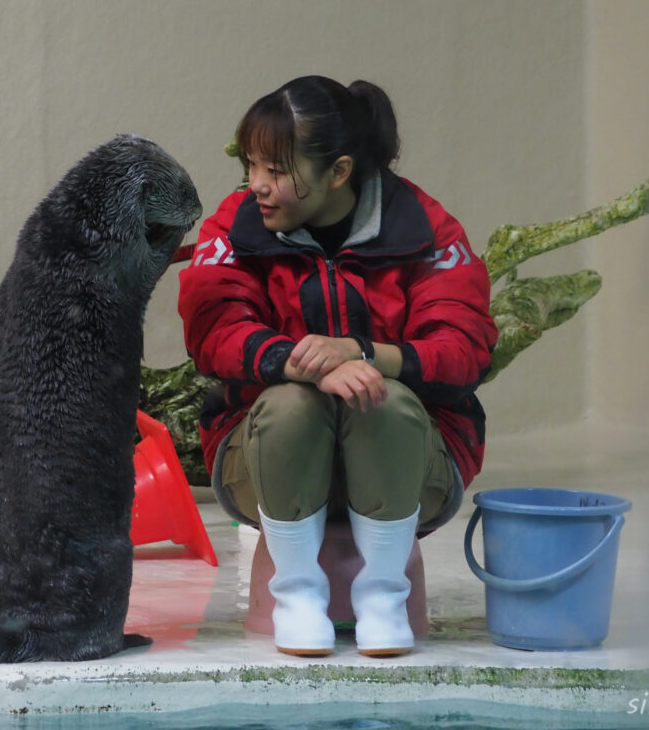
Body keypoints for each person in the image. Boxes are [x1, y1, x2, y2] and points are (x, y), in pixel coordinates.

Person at [178, 76, 497, 657]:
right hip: (264, 468)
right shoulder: (234, 227)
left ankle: (384, 595)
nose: (257, 187)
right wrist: (304, 363)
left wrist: (366, 355)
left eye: (275, 170)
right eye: (251, 166)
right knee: (291, 402)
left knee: (385, 398)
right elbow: (213, 328)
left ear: (340, 172)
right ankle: (297, 595)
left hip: (411, 469)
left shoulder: (426, 229)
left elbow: (466, 343)